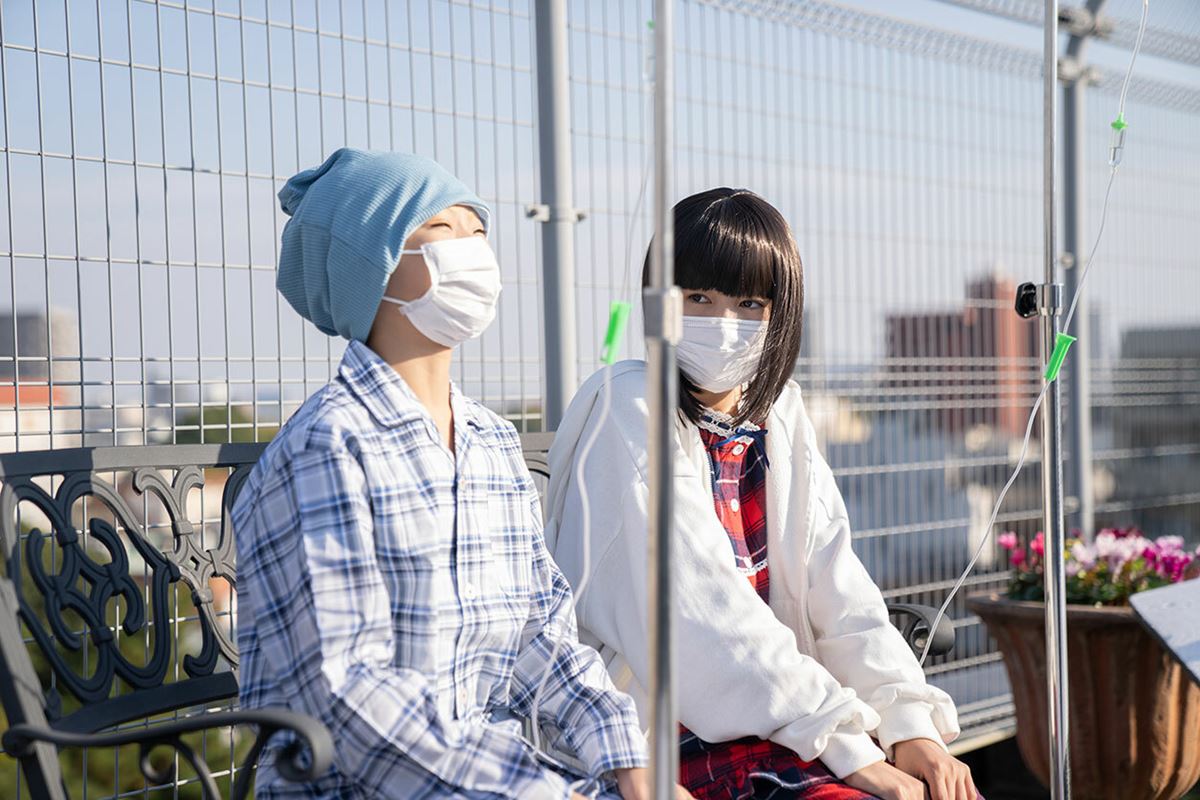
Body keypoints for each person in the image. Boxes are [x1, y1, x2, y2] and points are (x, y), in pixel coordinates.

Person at [232, 148, 666, 799]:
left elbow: (541, 634)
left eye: (479, 231)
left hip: (502, 781)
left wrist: (629, 763)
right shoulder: (327, 446)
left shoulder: (491, 441)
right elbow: (351, 696)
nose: (474, 250)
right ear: (371, 266)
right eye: (441, 229)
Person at [544, 188, 980, 800]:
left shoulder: (779, 416)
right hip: (666, 738)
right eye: (698, 298)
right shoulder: (628, 408)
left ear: (782, 314)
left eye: (750, 303)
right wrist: (848, 746)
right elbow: (706, 621)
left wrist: (911, 725)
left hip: (785, 719)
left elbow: (840, 590)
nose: (723, 323)